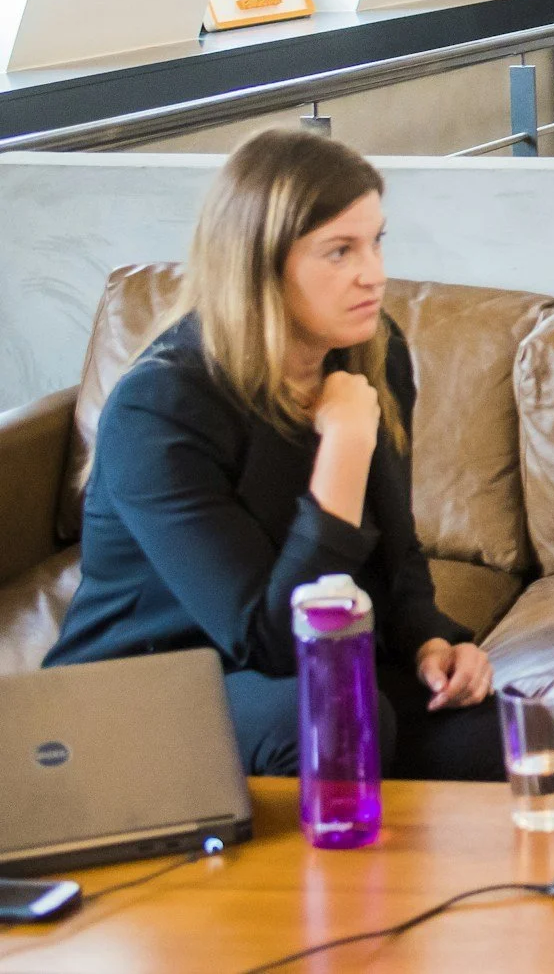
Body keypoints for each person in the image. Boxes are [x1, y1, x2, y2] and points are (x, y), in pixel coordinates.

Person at [46, 131, 501, 780]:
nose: (373, 272)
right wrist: (342, 450)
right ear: (258, 265)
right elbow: (272, 641)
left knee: (495, 730)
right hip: (142, 688)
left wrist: (434, 640)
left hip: (289, 673)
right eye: (340, 251)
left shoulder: (372, 352)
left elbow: (396, 560)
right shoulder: (160, 407)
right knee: (331, 713)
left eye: (376, 241)